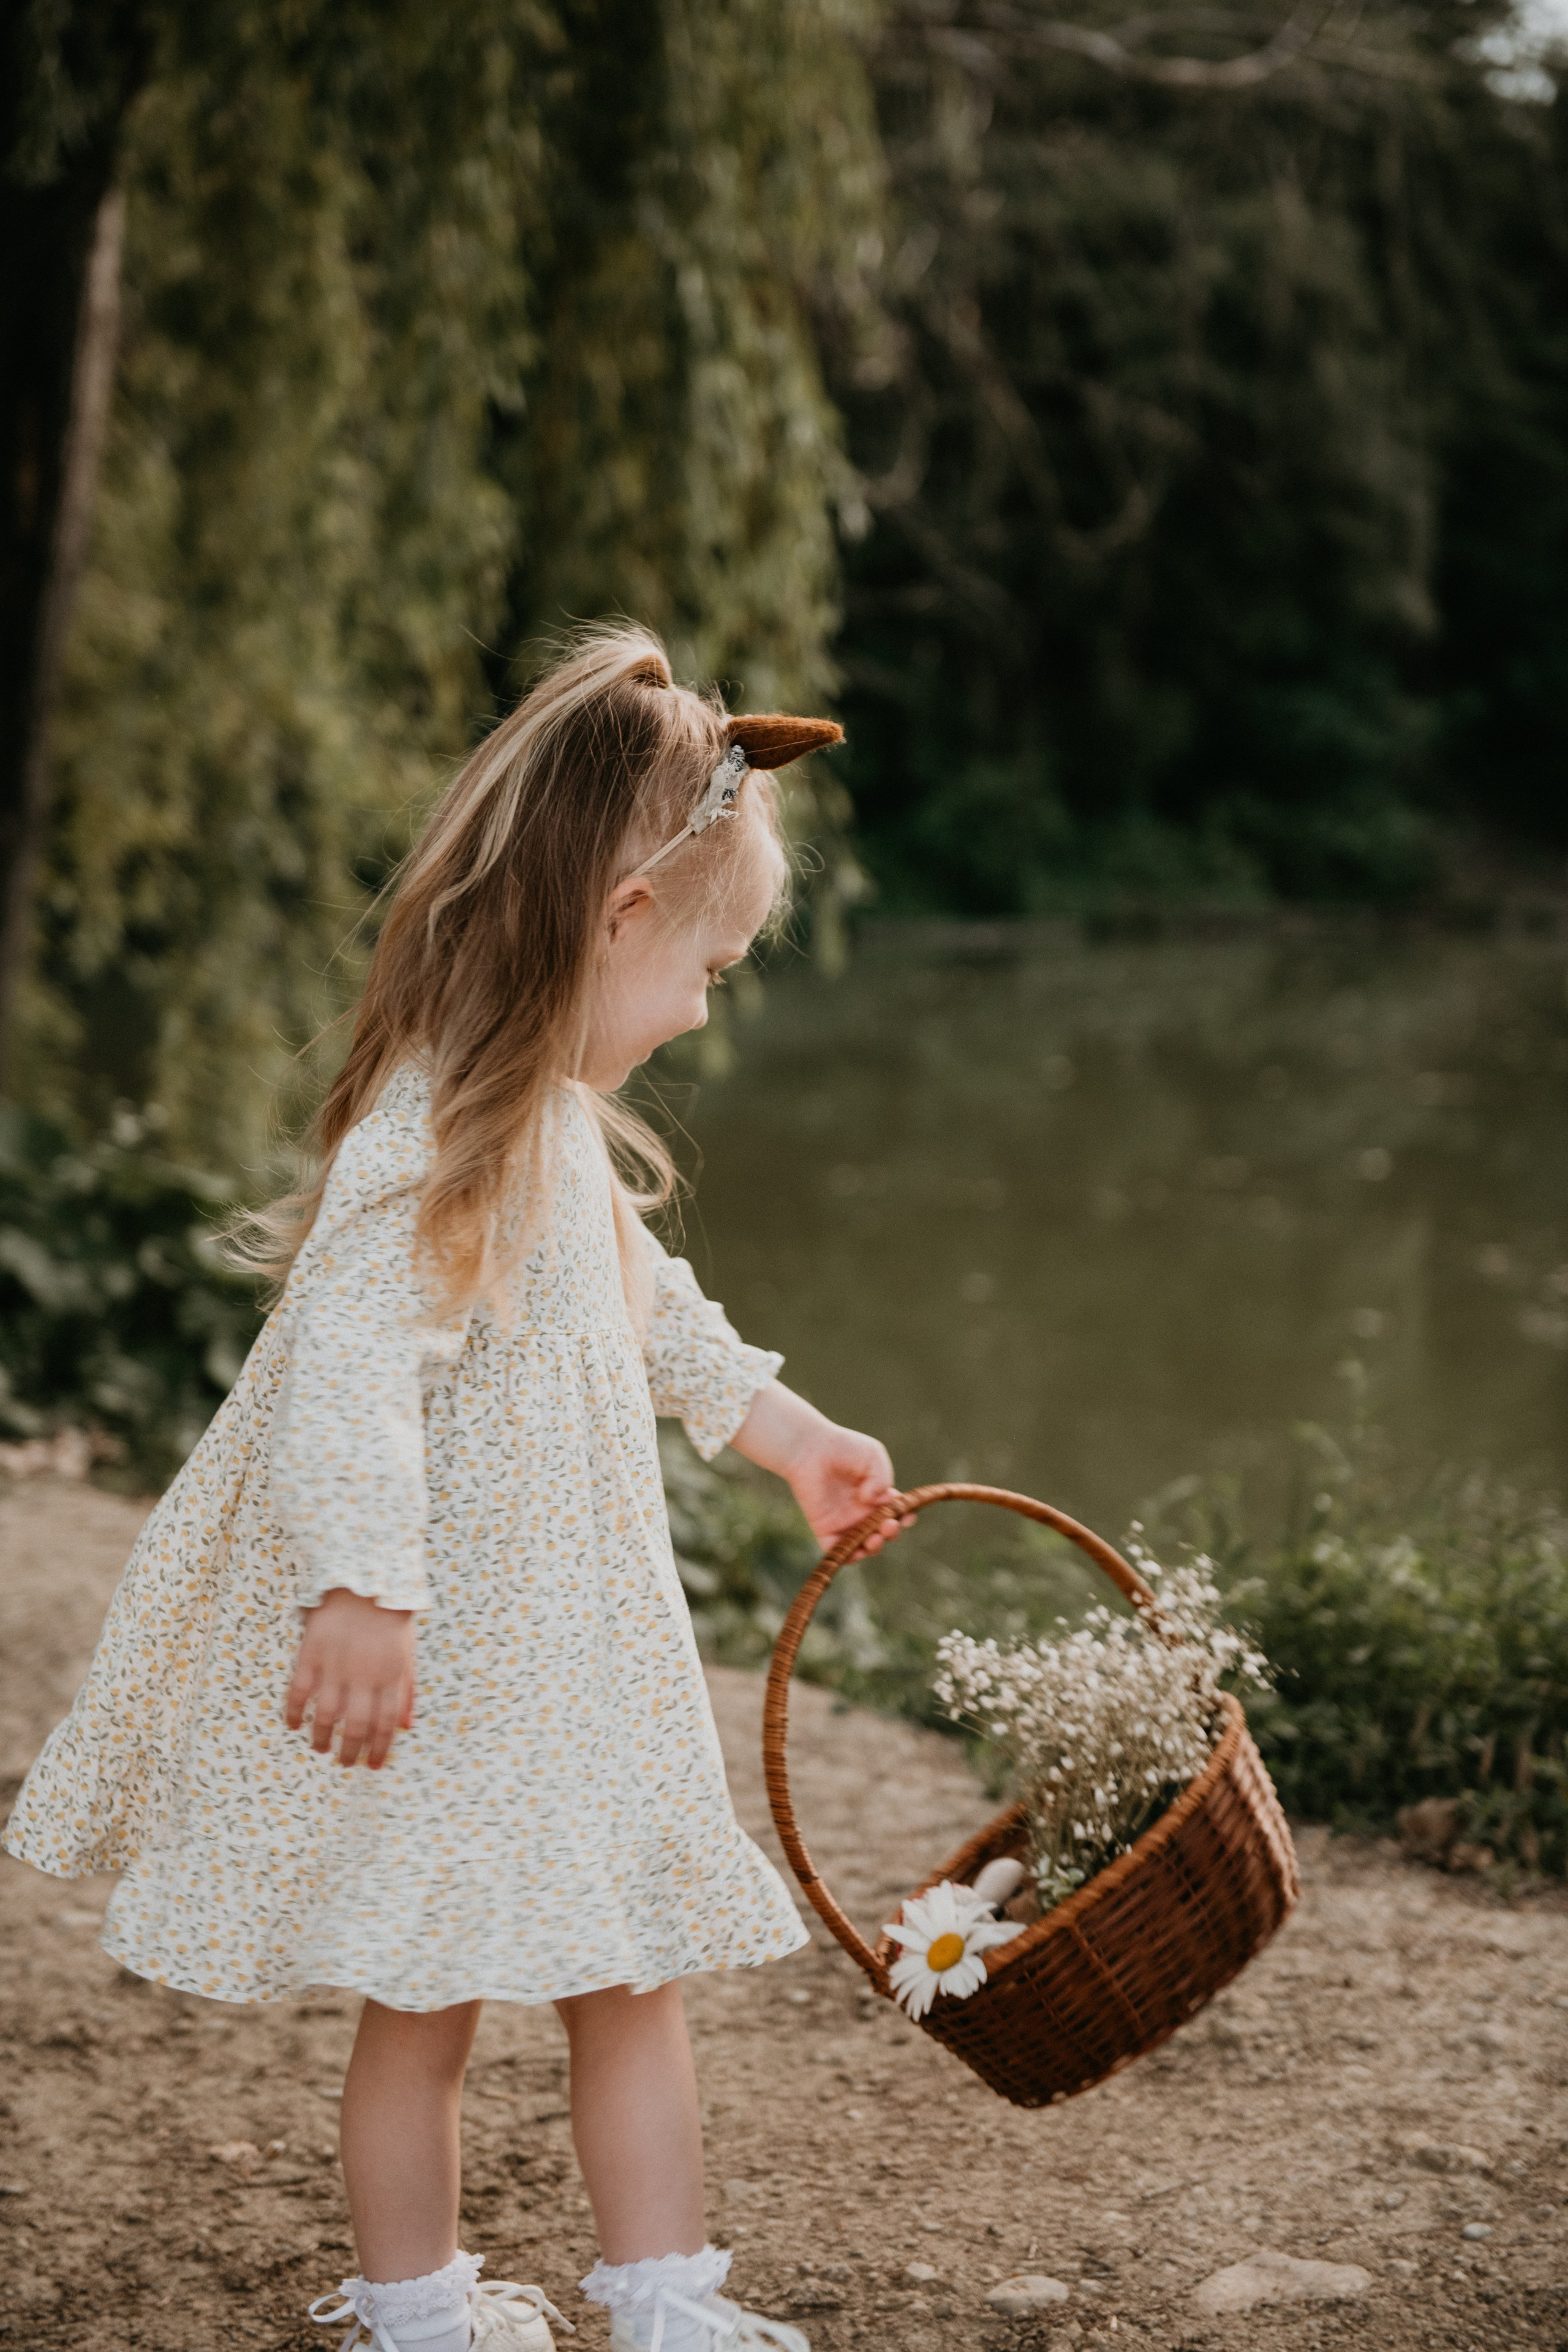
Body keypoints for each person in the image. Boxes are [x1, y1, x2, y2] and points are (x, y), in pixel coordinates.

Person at [4, 627, 913, 2352]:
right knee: (423, 2001)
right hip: (451, 1667)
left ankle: (667, 2304)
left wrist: (791, 1435)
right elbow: (345, 1364)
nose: (711, 998)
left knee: (628, 1971)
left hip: (574, 1662)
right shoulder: (432, 1128)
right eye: (710, 959)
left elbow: (655, 1318)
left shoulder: (557, 1130)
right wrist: (362, 1586)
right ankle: (416, 2309)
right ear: (621, 916)